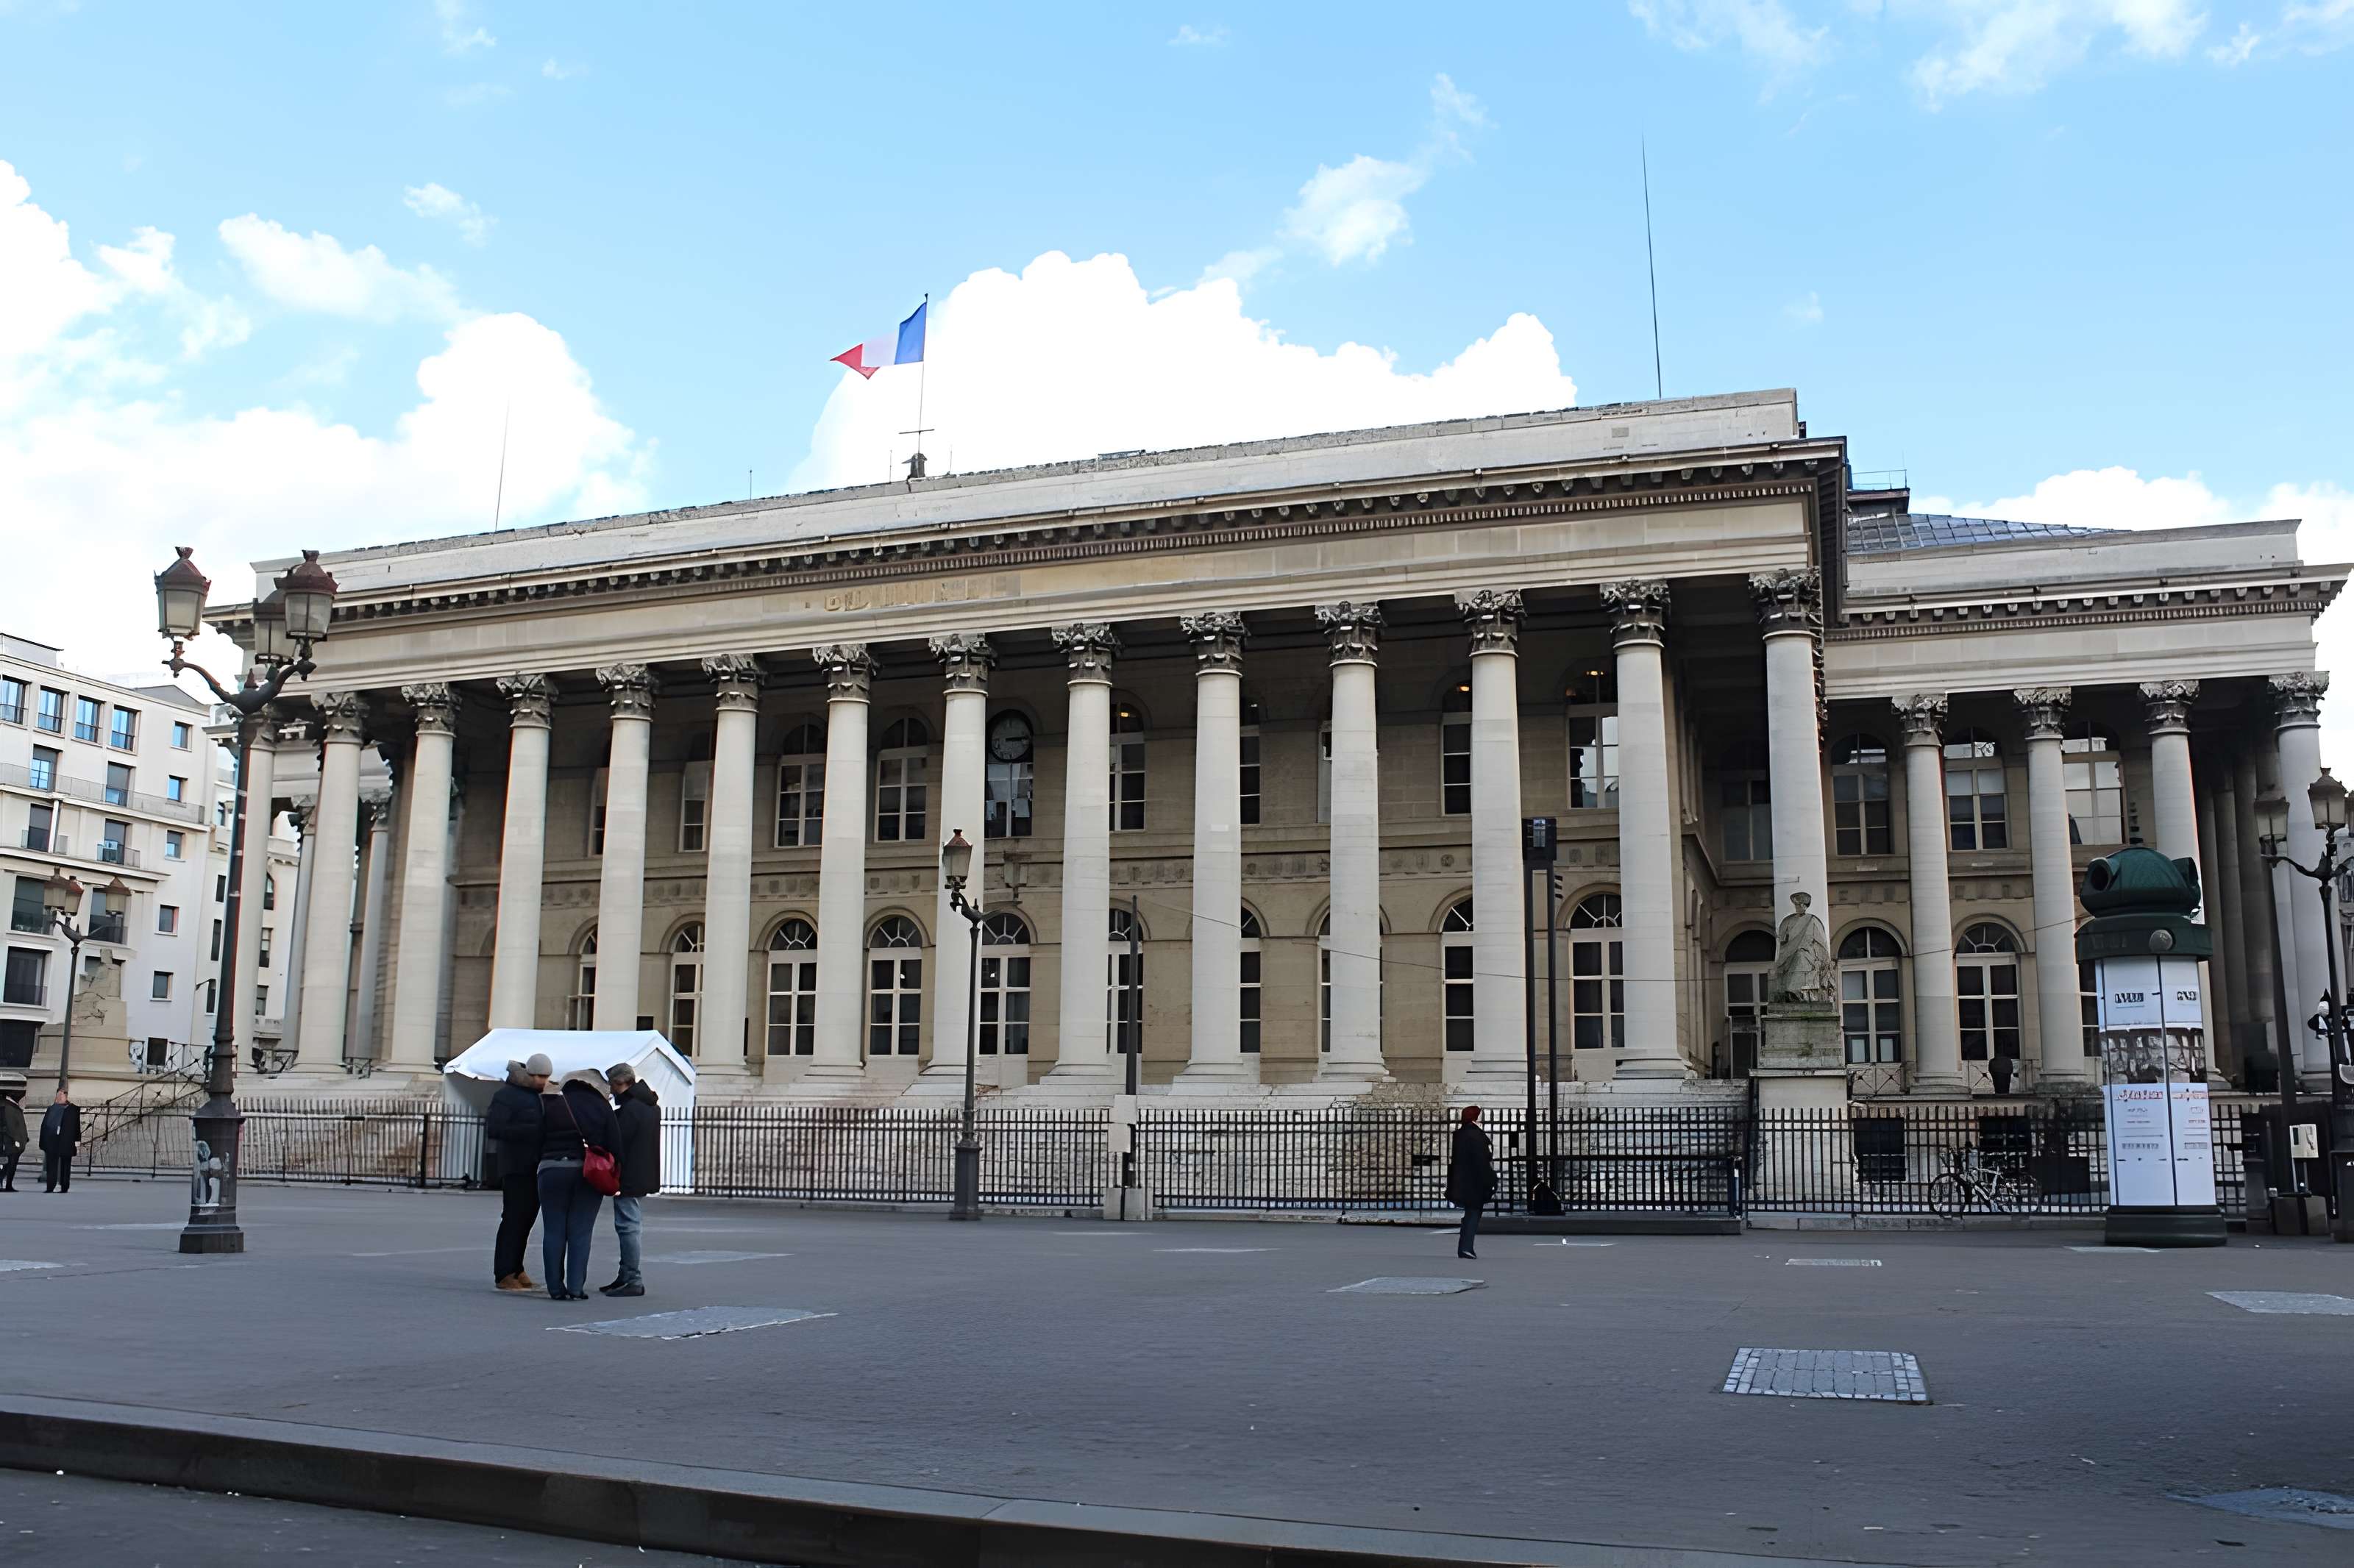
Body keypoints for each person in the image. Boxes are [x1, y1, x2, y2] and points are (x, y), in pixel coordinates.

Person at [537, 1069, 619, 1301]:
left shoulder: (550, 1105)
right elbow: (616, 1144)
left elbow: (535, 1138)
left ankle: (554, 1287)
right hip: (587, 1172)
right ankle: (575, 1287)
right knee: (581, 1232)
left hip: (551, 1169)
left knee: (553, 1231)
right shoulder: (601, 1107)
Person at [484, 1054, 550, 1292]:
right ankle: (504, 1272)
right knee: (513, 1218)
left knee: (528, 1218)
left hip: (533, 1165)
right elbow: (495, 1127)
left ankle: (517, 1267)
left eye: (546, 1077)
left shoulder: (536, 1097)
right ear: (530, 1074)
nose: (544, 1081)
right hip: (515, 1165)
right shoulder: (506, 1095)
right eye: (540, 1076)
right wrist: (531, 1130)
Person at [600, 1061, 663, 1298]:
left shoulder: (631, 1110)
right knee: (629, 1225)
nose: (612, 1091)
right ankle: (624, 1276)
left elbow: (618, 1141)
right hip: (643, 1171)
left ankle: (633, 1278)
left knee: (628, 1227)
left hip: (629, 1174)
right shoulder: (650, 1106)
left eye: (612, 1085)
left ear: (620, 1083)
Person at [1445, 1104, 1495, 1261]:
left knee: (1470, 1214)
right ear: (1476, 1118)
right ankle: (1466, 1248)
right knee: (1473, 1214)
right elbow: (1482, 1161)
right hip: (1475, 1181)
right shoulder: (1474, 1135)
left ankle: (1465, 1247)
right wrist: (1491, 1179)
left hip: (1463, 1181)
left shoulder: (1461, 1134)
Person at [39, 1086, 81, 1194]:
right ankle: (50, 1186)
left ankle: (64, 1186)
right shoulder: (52, 1109)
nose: (60, 1096)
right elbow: (45, 1126)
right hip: (52, 1141)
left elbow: (77, 1127)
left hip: (67, 1141)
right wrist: (43, 1142)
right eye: (59, 1094)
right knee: (52, 1165)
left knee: (65, 1165)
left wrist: (77, 1141)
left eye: (62, 1094)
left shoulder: (73, 1109)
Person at [0, 1084, 27, 1192]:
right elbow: (12, 1127)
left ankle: (5, 1184)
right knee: (10, 1164)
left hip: (9, 1142)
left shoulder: (10, 1106)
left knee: (7, 1164)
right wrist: (20, 1141)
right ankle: (7, 1185)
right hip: (10, 1143)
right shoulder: (10, 1108)